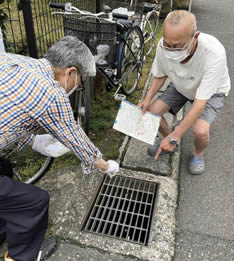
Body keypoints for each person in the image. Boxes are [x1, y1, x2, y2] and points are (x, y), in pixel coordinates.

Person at [0, 35, 119, 261]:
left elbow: (7, 118)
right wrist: (106, 166)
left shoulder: (12, 61)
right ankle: (20, 257)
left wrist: (34, 142)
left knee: (4, 169)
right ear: (71, 72)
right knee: (34, 202)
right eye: (81, 82)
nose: (78, 87)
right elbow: (77, 140)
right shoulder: (51, 93)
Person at [139, 10, 231, 175]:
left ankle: (197, 153)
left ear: (195, 37)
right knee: (152, 113)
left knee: (201, 131)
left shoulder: (214, 53)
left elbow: (199, 104)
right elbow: (160, 74)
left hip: (211, 92)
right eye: (168, 44)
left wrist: (176, 133)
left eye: (178, 46)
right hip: (181, 85)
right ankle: (171, 143)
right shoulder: (163, 45)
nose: (171, 50)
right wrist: (147, 98)